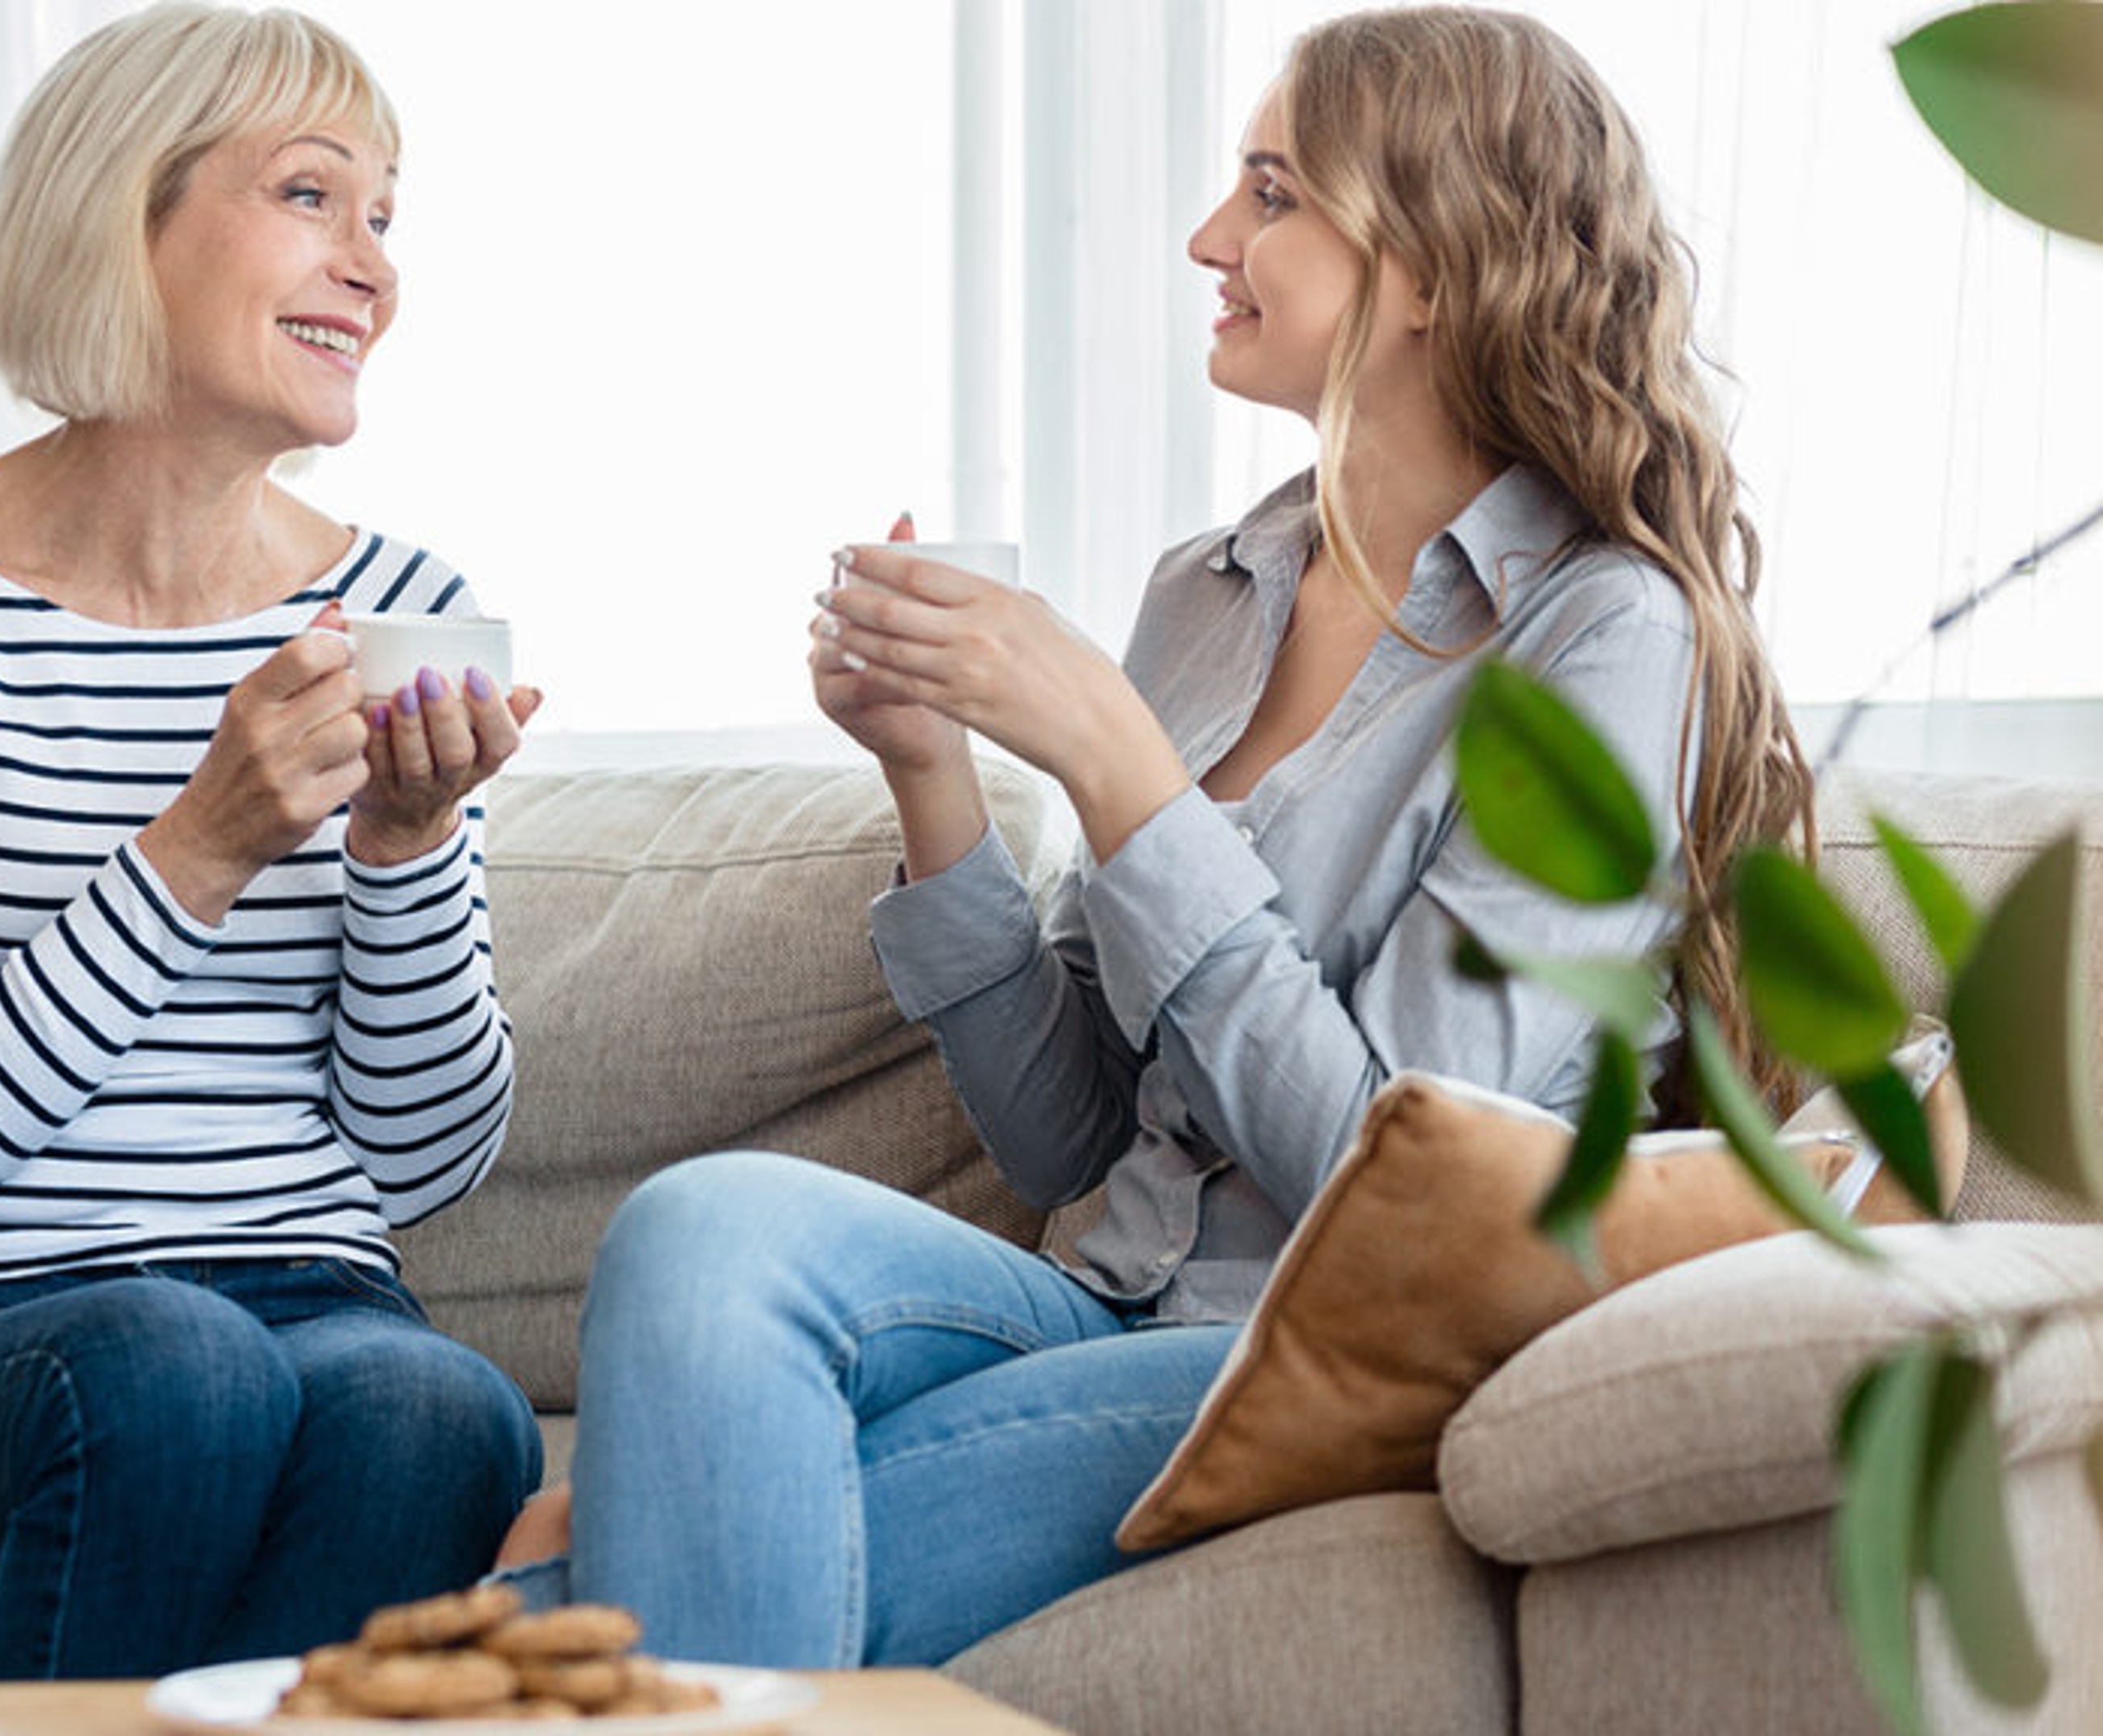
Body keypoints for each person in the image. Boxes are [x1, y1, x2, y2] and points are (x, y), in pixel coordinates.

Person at [495, 4, 1810, 1668]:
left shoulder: (1604, 638)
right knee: (699, 1227)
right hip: (1099, 1301)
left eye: (1271, 193)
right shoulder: (1208, 593)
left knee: (576, 1602)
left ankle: (532, 1627)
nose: (1210, 238)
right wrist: (934, 774)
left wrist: (1126, 776)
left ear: (1424, 265)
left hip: (1326, 1348)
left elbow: (1390, 1186)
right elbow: (1068, 1144)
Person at [0, 3, 546, 1681]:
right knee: (176, 1365)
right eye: (314, 196)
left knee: (441, 1408)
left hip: (314, 1306)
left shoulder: (408, 610)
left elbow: (420, 1166)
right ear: (125, 213)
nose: (375, 269)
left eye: (386, 217)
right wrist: (202, 843)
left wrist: (403, 847)